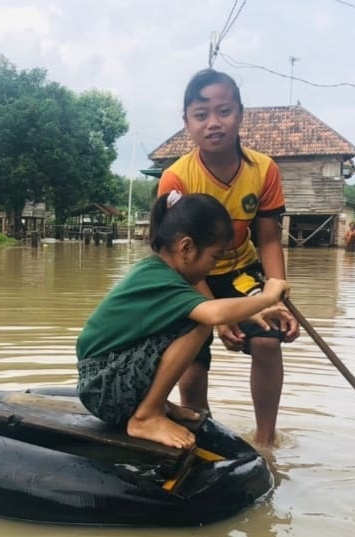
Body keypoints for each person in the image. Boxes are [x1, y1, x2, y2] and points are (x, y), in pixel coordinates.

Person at [76, 191, 289, 450]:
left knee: (192, 318)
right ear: (186, 248)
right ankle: (146, 416)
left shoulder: (158, 271)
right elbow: (212, 314)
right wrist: (267, 297)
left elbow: (213, 308)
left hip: (106, 378)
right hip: (104, 387)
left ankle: (157, 405)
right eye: (214, 257)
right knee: (197, 323)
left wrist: (251, 311)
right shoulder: (163, 280)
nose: (213, 268)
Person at [157, 68, 300, 446]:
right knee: (192, 352)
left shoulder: (263, 170)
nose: (214, 123)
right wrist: (215, 318)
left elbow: (268, 239)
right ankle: (199, 433)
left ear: (240, 114)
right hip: (189, 277)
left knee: (268, 337)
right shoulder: (177, 178)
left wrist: (277, 293)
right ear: (187, 122)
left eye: (224, 111)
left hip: (239, 270)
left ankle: (266, 442)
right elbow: (179, 258)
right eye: (201, 115)